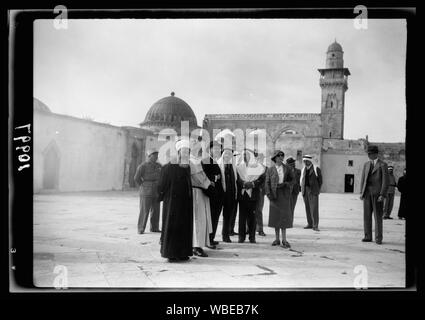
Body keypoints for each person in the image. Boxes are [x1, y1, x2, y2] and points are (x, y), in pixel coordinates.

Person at [158, 139, 193, 262]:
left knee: (184, 227)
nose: (186, 155)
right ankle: (171, 254)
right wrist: (162, 197)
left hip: (185, 204)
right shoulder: (168, 167)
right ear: (178, 153)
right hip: (172, 204)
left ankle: (183, 252)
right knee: (172, 228)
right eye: (183, 152)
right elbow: (162, 185)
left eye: (188, 153)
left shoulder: (187, 167)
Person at [359, 145, 389, 245]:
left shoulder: (383, 165)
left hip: (377, 195)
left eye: (370, 153)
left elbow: (386, 181)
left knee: (378, 217)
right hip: (367, 194)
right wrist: (361, 192)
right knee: (366, 216)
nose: (368, 155)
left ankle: (378, 238)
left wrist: (382, 194)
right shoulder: (366, 164)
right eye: (368, 153)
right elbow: (363, 180)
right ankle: (367, 236)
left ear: (376, 154)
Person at [190, 140, 215, 257]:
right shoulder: (191, 161)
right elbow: (199, 177)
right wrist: (209, 184)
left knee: (202, 219)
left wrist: (208, 183)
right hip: (196, 192)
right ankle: (196, 246)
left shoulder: (196, 160)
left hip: (202, 192)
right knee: (197, 220)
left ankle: (199, 244)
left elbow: (203, 176)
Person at [265, 150, 295, 248]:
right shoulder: (270, 170)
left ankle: (284, 239)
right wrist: (269, 195)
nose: (281, 158)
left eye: (282, 156)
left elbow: (292, 180)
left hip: (284, 194)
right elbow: (267, 183)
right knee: (276, 217)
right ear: (275, 158)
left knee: (284, 217)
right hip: (274, 195)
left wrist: (286, 184)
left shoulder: (287, 168)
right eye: (279, 156)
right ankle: (277, 239)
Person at [236, 149, 266, 244]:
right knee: (242, 217)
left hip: (253, 195)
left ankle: (252, 237)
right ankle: (241, 237)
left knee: (252, 217)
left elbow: (261, 179)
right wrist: (243, 183)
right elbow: (237, 179)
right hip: (243, 194)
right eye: (244, 155)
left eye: (247, 155)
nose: (245, 157)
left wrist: (252, 184)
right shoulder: (239, 167)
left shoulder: (258, 167)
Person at [201, 141, 224, 247]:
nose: (217, 151)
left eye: (218, 149)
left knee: (215, 217)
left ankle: (211, 238)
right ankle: (208, 239)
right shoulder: (205, 161)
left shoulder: (214, 161)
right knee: (211, 217)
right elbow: (205, 176)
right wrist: (216, 178)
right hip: (211, 194)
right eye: (215, 149)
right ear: (209, 149)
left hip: (217, 194)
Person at [134, 149, 162, 234]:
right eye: (154, 155)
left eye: (157, 155)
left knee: (156, 210)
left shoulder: (159, 166)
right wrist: (144, 186)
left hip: (156, 191)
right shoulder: (143, 166)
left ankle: (154, 228)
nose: (156, 157)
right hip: (146, 191)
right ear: (149, 156)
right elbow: (136, 178)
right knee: (144, 210)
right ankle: (141, 228)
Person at [217, 148, 238, 243]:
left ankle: (225, 235)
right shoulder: (218, 164)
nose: (228, 155)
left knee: (228, 216)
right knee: (216, 215)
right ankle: (211, 237)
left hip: (231, 194)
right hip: (221, 194)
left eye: (230, 154)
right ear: (223, 154)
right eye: (226, 154)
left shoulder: (232, 166)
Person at [300, 155, 323, 231]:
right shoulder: (303, 169)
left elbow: (320, 181)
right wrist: (302, 189)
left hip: (313, 191)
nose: (306, 163)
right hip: (305, 191)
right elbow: (302, 180)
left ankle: (315, 225)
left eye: (307, 161)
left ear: (310, 161)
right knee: (308, 208)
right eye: (304, 161)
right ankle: (310, 224)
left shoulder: (316, 169)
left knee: (314, 209)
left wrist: (317, 189)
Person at [255, 152, 267, 237]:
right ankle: (249, 229)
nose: (260, 159)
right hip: (252, 191)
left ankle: (260, 229)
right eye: (259, 158)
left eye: (262, 158)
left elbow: (267, 181)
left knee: (259, 211)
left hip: (260, 192)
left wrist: (264, 190)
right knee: (251, 211)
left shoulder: (266, 169)